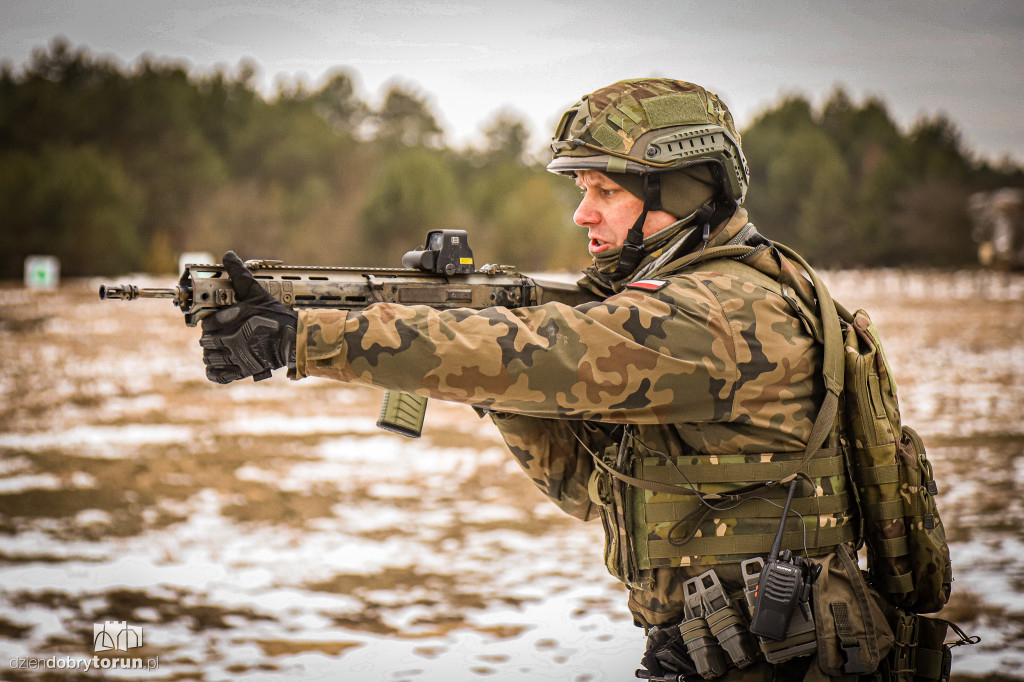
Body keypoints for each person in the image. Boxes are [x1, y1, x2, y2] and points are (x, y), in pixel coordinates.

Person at [200, 79, 893, 680]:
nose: (581, 213)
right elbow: (597, 492)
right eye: (581, 189)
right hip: (738, 655)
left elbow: (553, 354)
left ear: (680, 193)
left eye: (605, 190)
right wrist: (489, 376)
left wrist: (306, 337)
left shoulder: (725, 313)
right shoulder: (702, 292)